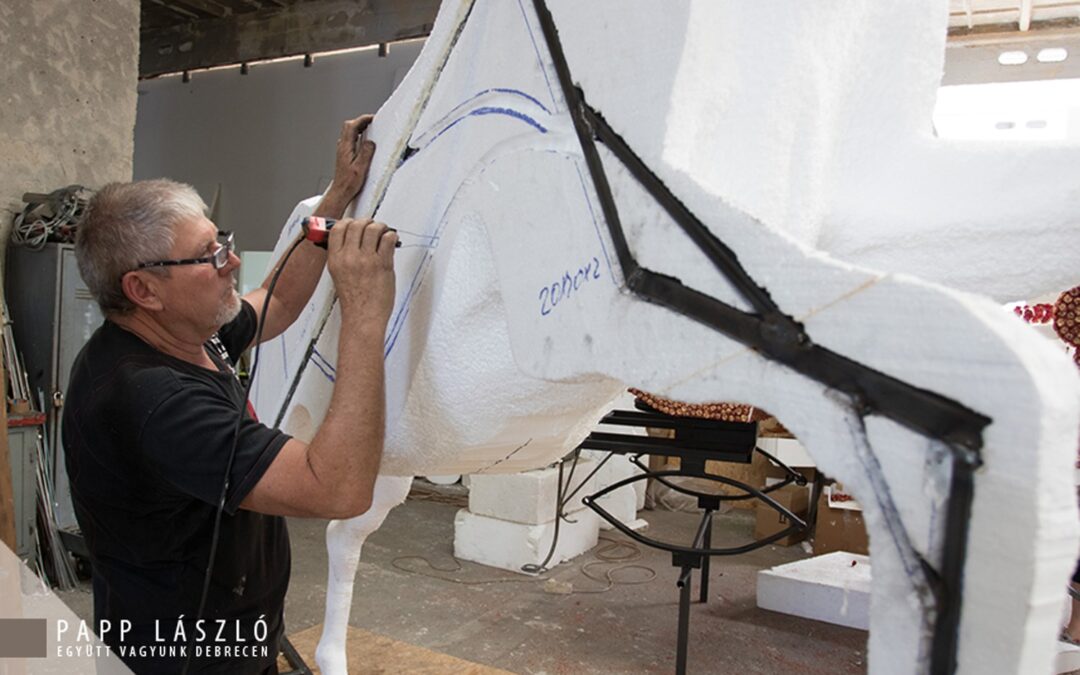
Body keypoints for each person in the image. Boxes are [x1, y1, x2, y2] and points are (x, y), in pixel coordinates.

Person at [62, 114, 398, 674]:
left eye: (225, 243)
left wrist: (337, 194)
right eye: (209, 256)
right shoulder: (152, 400)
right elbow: (337, 489)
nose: (232, 263)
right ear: (143, 290)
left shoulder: (187, 327)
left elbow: (278, 302)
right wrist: (365, 313)